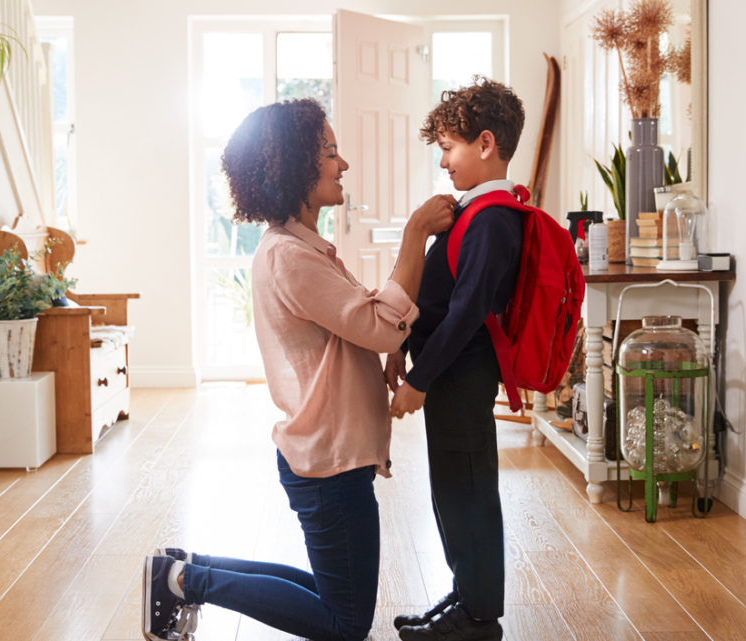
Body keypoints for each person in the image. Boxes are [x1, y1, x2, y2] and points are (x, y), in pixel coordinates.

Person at [142, 98, 455, 641]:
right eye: (331, 153)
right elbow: (380, 324)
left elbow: (359, 326)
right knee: (345, 622)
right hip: (329, 464)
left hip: (328, 456)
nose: (343, 164)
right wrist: (414, 235)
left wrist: (388, 347)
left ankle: (179, 568)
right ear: (294, 168)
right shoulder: (290, 256)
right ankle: (184, 581)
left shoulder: (300, 248)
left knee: (331, 594)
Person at [385, 76, 527, 641]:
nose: (443, 161)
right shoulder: (474, 211)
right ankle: (466, 596)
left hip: (461, 377)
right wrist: (401, 346)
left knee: (468, 492)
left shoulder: (493, 217)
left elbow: (467, 312)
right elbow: (439, 293)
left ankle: (479, 616)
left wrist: (419, 379)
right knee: (451, 489)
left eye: (449, 148)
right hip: (451, 376)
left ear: (485, 144)